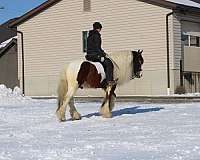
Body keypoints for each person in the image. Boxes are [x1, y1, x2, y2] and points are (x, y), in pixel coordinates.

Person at [85, 22, 115, 87]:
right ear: (99, 28)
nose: (100, 30)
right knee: (109, 63)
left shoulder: (89, 36)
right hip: (95, 55)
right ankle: (109, 81)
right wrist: (102, 54)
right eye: (100, 29)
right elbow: (97, 47)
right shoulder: (96, 35)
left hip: (89, 55)